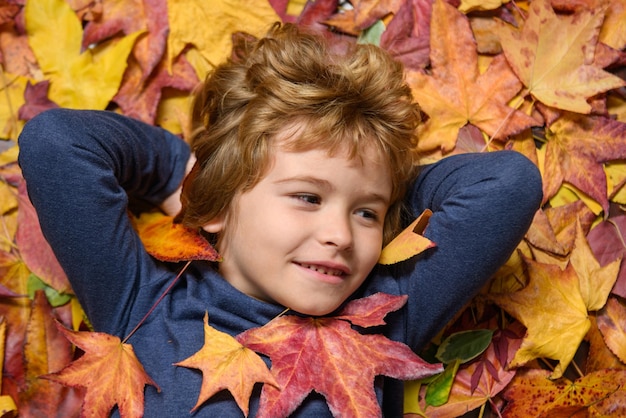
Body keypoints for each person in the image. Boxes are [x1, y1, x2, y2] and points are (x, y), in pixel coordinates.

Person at [18, 22, 542, 417]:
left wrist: (380, 176)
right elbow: (56, 144)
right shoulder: (141, 301)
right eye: (308, 198)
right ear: (221, 203)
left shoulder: (386, 317)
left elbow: (509, 185)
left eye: (365, 213)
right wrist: (186, 175)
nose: (339, 235)